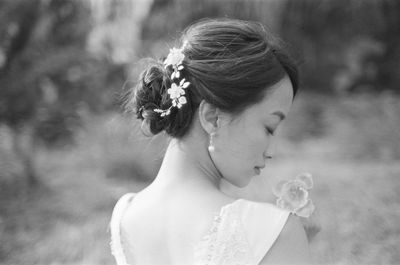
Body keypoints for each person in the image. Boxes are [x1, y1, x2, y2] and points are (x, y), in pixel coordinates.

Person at [110, 18, 312, 265]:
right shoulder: (273, 231)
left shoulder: (124, 217)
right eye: (269, 128)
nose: (271, 151)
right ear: (213, 117)